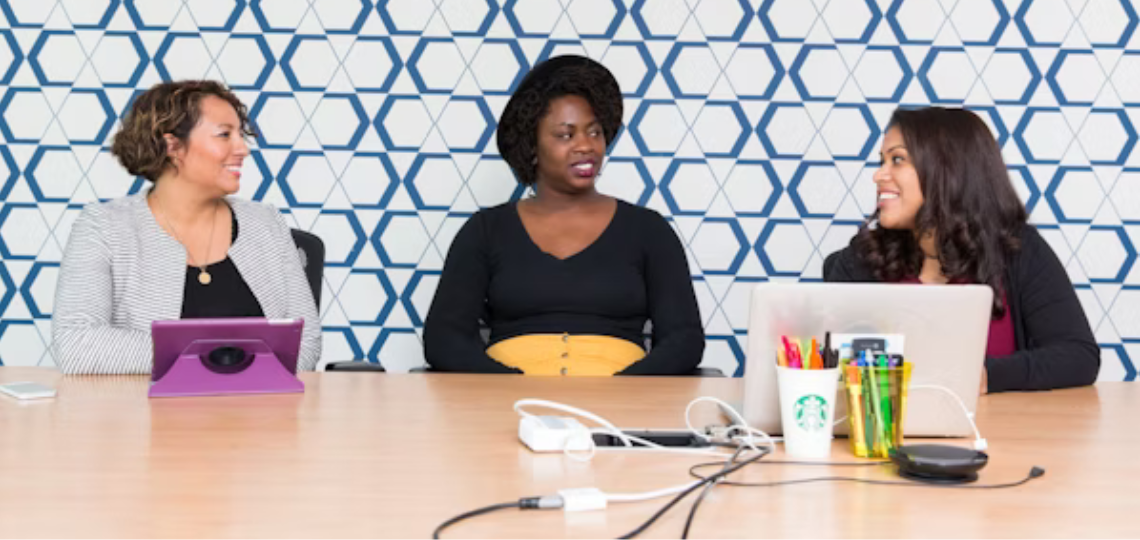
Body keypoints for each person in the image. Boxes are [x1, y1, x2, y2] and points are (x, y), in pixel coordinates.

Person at [423, 55, 705, 375]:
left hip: (620, 397)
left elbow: (684, 339)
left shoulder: (649, 230)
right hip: (508, 396)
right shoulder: (485, 231)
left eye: (594, 133)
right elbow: (444, 338)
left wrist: (623, 388)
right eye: (566, 135)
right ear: (533, 147)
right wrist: (510, 386)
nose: (586, 146)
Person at [51, 80, 321, 374]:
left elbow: (305, 344)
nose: (242, 149)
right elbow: (75, 345)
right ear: (173, 146)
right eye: (224, 135)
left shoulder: (266, 223)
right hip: (144, 406)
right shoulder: (103, 227)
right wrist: (217, 356)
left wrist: (193, 355)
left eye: (240, 135)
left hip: (261, 404)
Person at [824, 106, 1098, 393]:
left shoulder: (1017, 248)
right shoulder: (862, 258)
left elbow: (1078, 356)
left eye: (897, 160)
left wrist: (986, 376)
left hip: (996, 423)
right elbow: (830, 366)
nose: (879, 175)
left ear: (947, 170)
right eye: (882, 161)